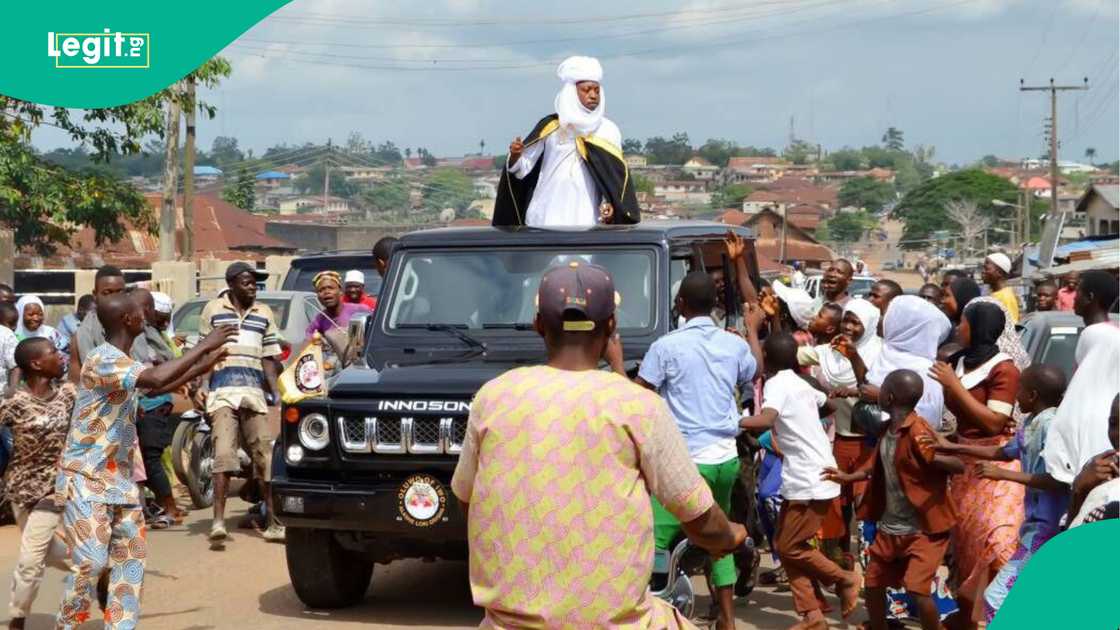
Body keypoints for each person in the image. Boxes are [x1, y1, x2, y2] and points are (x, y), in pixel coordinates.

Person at [450, 262, 745, 627]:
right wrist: (731, 535)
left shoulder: (493, 397)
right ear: (611, 326)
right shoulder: (639, 406)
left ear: (539, 324)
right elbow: (700, 519)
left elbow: (467, 497)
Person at [54, 293, 233, 630]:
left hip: (119, 481)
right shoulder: (102, 359)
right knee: (91, 564)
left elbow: (152, 388)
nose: (146, 314)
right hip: (86, 478)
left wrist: (201, 366)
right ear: (128, 320)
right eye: (141, 310)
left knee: (129, 562)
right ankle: (67, 625)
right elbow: (153, 379)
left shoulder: (122, 359)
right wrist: (203, 345)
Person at [618, 271, 760, 630]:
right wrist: (754, 330)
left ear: (679, 304)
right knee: (719, 536)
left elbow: (638, 397)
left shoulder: (667, 346)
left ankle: (645, 614)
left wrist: (615, 361)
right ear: (714, 305)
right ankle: (727, 619)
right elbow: (754, 371)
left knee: (653, 540)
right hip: (725, 458)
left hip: (683, 463)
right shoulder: (734, 344)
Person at [925, 364, 1069, 621]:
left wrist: (1004, 474)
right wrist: (952, 445)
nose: (1016, 397)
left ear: (1033, 395)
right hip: (1033, 524)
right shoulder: (1031, 423)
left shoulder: (1052, 426)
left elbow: (1058, 480)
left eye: (1021, 391)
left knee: (996, 597)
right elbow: (1002, 451)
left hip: (1046, 527)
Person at [824, 370, 962, 630]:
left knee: (918, 589)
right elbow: (876, 465)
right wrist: (848, 477)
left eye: (882, 387)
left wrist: (934, 456)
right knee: (874, 583)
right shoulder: (889, 429)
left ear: (889, 396)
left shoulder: (919, 430)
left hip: (922, 529)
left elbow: (956, 463)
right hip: (891, 527)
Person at [740, 333, 860, 629]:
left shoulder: (777, 384)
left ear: (765, 357)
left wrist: (731, 422)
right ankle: (812, 615)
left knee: (791, 547)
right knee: (786, 544)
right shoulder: (798, 382)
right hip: (809, 472)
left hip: (809, 477)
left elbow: (766, 420)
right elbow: (827, 405)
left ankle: (844, 578)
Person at [928, 301, 1023, 628]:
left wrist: (953, 386)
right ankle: (971, 616)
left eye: (964, 323)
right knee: (968, 543)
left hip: (996, 462)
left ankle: (1002, 614)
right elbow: (967, 420)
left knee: (998, 542)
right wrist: (951, 440)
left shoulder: (1003, 369)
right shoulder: (959, 363)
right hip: (966, 461)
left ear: (978, 326)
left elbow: (995, 423)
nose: (959, 329)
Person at [492, 56, 640, 227]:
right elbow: (522, 169)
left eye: (596, 90)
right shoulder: (552, 127)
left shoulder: (608, 131)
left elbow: (614, 178)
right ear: (572, 93)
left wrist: (610, 204)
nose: (593, 95)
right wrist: (516, 155)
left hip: (586, 217)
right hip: (545, 217)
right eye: (587, 90)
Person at [200, 262, 286, 544]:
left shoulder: (264, 313)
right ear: (232, 284)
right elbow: (203, 352)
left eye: (255, 283)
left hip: (253, 394)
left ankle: (274, 522)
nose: (253, 287)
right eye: (247, 282)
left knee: (265, 455)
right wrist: (201, 385)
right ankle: (218, 522)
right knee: (224, 454)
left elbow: (270, 357)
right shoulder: (213, 310)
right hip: (222, 393)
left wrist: (275, 394)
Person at [2, 338, 76, 630]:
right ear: (36, 363)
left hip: (54, 488)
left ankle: (17, 620)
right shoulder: (14, 403)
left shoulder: (69, 394)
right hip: (20, 491)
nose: (60, 357)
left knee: (30, 560)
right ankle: (97, 568)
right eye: (53, 353)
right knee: (49, 552)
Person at [1043, 272, 1120, 489]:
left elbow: (1081, 392)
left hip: (1094, 431)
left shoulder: (1095, 335)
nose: (1073, 296)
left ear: (1091, 297)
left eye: (1079, 291)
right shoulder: (1110, 333)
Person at [128, 289, 183, 526]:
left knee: (150, 457)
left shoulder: (147, 332)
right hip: (136, 403)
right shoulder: (131, 331)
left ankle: (170, 508)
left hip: (154, 402)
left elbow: (167, 357)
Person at [862, 296, 952, 429]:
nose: (882, 320)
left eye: (888, 315)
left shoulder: (927, 371)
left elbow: (930, 419)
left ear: (905, 325)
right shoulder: (885, 353)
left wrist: (881, 396)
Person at [1062, 396, 1119, 529]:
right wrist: (1079, 490)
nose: (1118, 433)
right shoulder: (1096, 468)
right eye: (1113, 423)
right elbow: (1069, 539)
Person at [71, 265, 127, 376]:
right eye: (107, 293)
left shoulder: (135, 323)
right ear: (95, 295)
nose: (114, 299)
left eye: (119, 292)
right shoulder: (83, 334)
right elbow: (78, 381)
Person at [306, 271, 371, 341]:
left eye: (330, 288)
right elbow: (308, 334)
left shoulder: (359, 310)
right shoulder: (320, 318)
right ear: (318, 296)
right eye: (321, 290)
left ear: (340, 291)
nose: (326, 292)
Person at [981, 253, 1019, 324]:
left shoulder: (1006, 297)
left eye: (986, 269)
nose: (983, 271)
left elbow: (1010, 326)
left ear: (999, 272)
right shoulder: (994, 294)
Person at [0, 303, 19, 394]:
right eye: (11, 323)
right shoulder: (7, 334)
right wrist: (12, 390)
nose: (14, 327)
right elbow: (16, 366)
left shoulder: (6, 334)